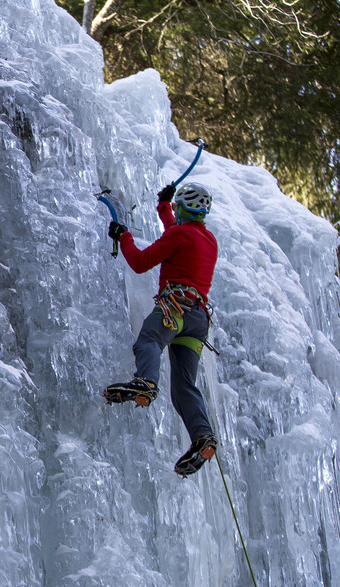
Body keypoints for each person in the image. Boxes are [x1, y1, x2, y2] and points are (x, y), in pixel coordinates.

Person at [103, 182, 219, 477]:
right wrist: (163, 207)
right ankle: (202, 436)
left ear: (183, 208)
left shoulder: (179, 234)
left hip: (175, 308)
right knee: (183, 386)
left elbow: (140, 262)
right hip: (197, 322)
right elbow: (177, 233)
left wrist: (124, 235)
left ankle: (146, 382)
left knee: (149, 341)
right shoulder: (208, 240)